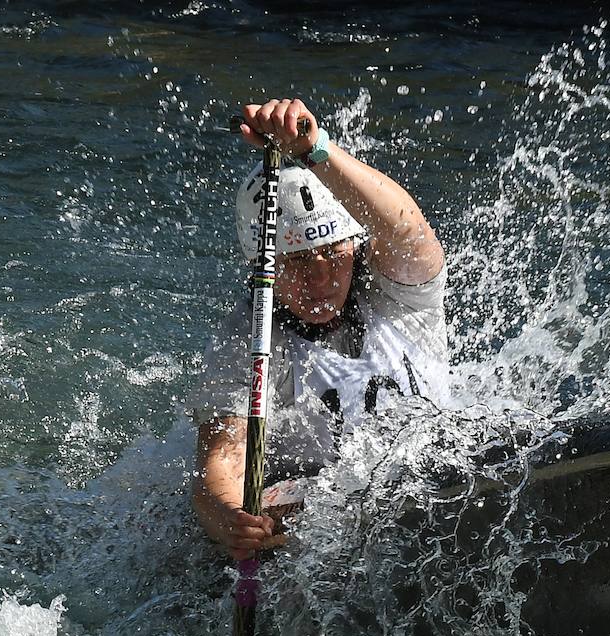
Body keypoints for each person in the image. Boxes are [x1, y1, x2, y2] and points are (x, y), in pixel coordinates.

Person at [191, 98, 450, 562]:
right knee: (286, 507)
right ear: (261, 269)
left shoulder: (399, 293)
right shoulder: (247, 341)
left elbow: (407, 229)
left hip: (433, 486)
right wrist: (231, 518)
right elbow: (222, 463)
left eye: (333, 253)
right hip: (322, 516)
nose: (320, 278)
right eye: (294, 262)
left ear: (355, 244)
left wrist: (316, 148)